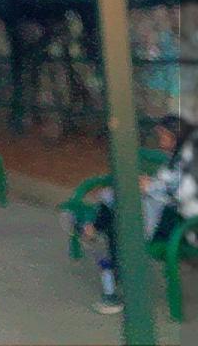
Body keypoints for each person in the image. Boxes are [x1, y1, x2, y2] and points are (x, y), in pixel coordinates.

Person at [80, 116, 198, 315]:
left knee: (120, 220)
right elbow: (165, 186)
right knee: (117, 208)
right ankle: (96, 232)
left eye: (164, 137)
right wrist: (149, 184)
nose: (161, 142)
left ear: (177, 138)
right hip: (168, 217)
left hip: (183, 225)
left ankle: (93, 231)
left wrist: (150, 187)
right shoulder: (175, 159)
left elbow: (182, 195)